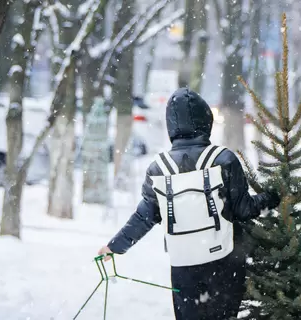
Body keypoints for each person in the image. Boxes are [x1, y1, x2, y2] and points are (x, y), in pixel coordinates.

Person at [97, 88, 280, 320]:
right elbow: (245, 210)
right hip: (224, 263)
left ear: (171, 125)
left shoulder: (158, 169)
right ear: (206, 121)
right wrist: (276, 195)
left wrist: (114, 247)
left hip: (184, 266)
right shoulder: (223, 160)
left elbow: (144, 217)